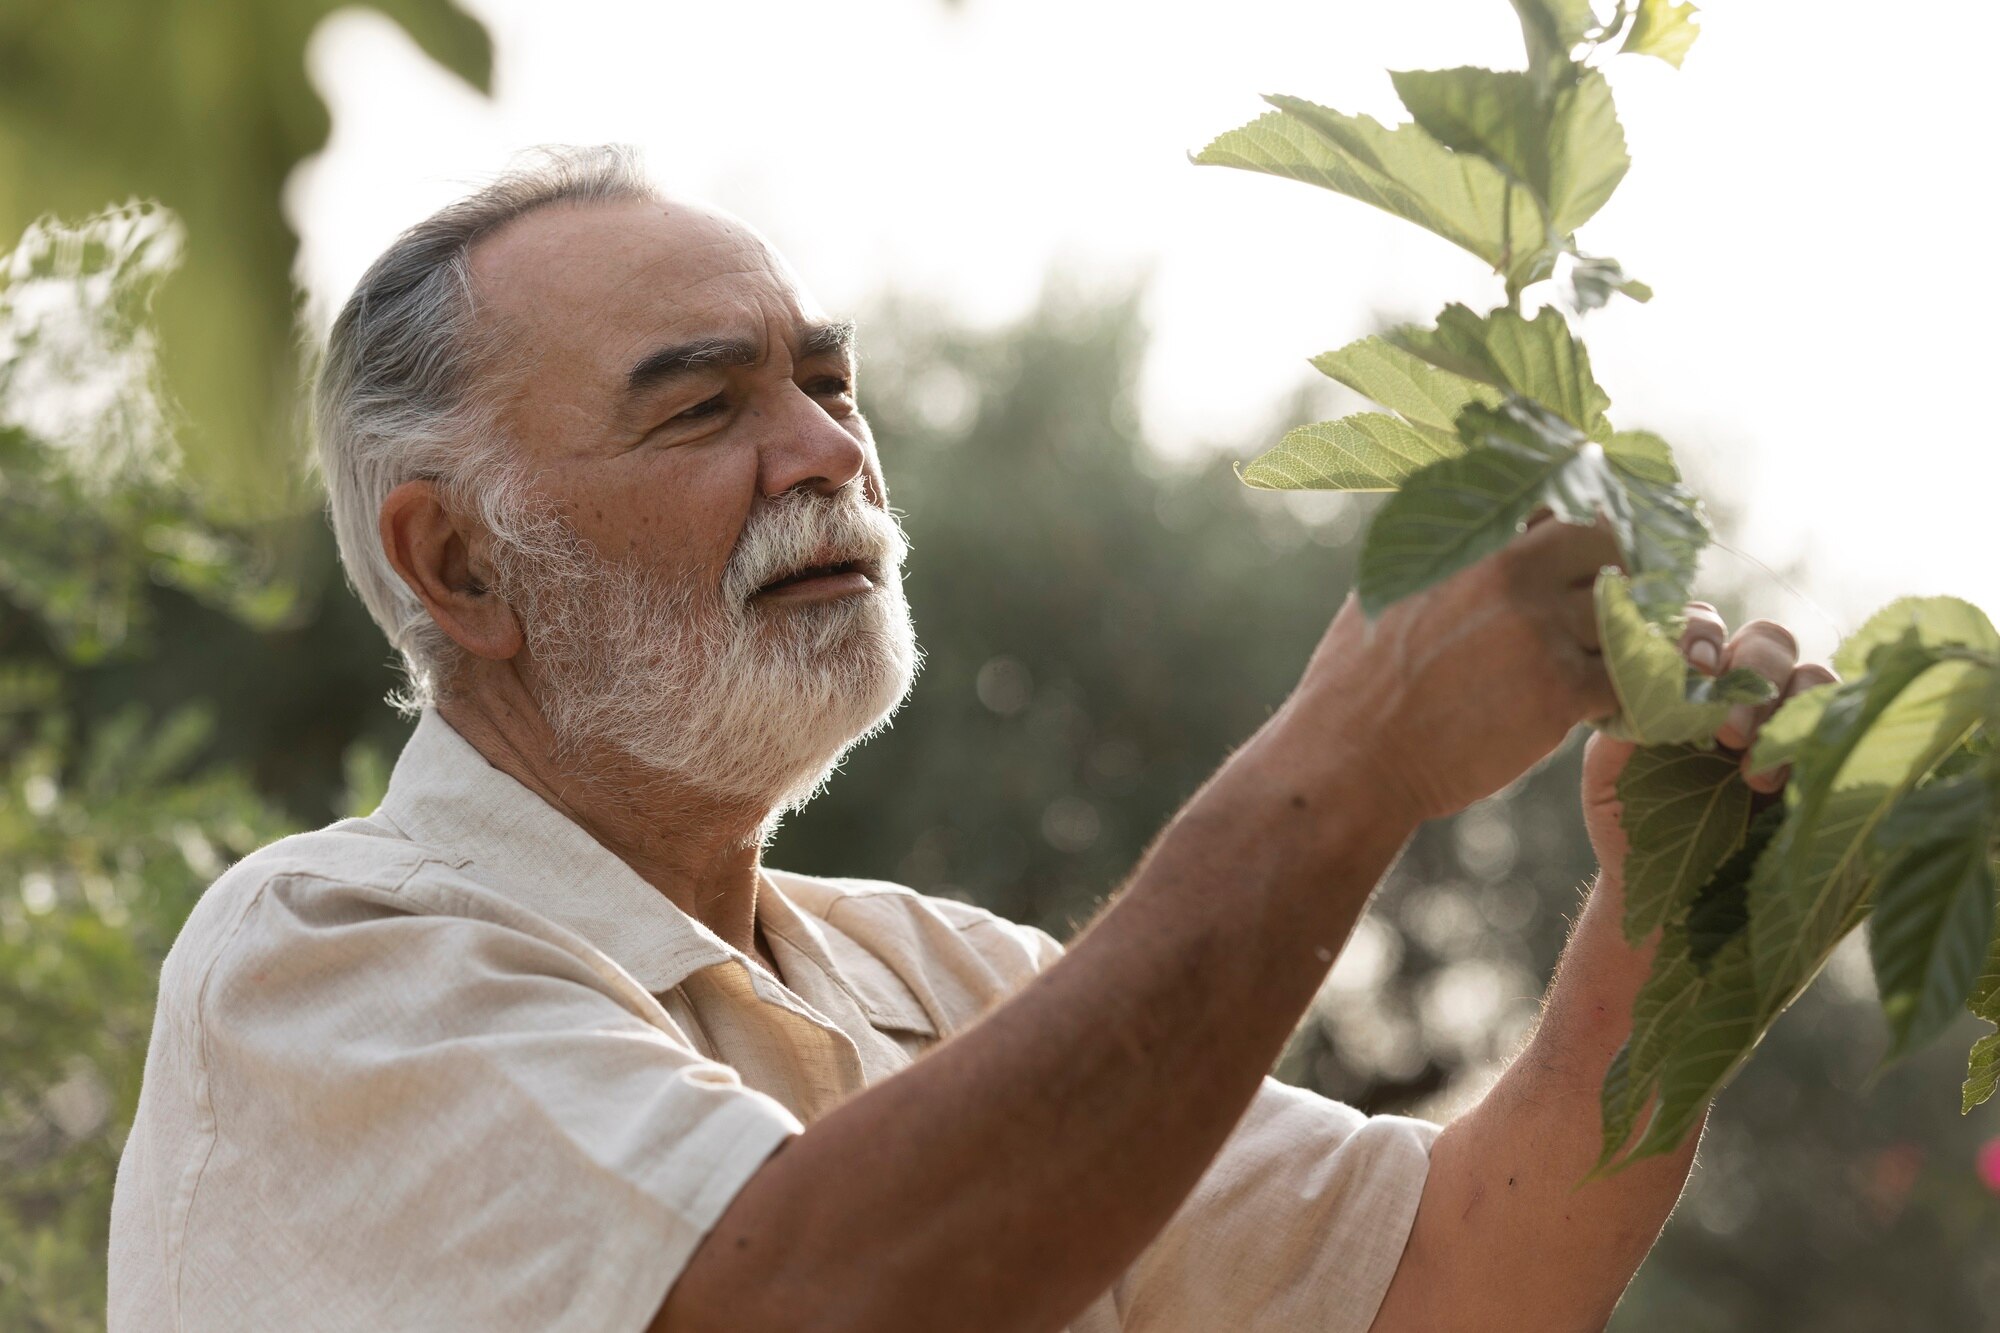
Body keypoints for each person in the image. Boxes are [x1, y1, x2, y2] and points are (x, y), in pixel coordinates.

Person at [105, 145, 1830, 1332]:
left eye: (828, 384)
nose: (825, 454)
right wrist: (1354, 756)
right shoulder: (325, 962)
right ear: (456, 561)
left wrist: (1669, 952)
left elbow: (1450, 1283)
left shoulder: (935, 978)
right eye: (702, 405)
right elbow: (820, 1297)